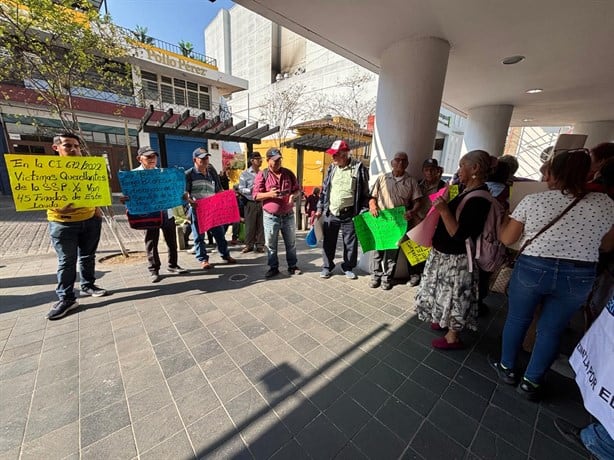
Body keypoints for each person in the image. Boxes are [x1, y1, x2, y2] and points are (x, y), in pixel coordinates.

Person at [490, 149, 614, 400]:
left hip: (533, 268)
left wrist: (504, 219)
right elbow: (607, 245)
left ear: (555, 174)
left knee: (518, 319)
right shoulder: (606, 204)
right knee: (552, 329)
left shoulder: (535, 201)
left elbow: (507, 238)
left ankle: (507, 368)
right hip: (579, 274)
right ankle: (531, 383)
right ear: (588, 173)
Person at [414, 150, 493, 349]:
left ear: (474, 168)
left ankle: (453, 336)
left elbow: (459, 234)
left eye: (461, 165)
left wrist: (442, 209)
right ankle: (444, 321)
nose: (459, 170)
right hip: (445, 255)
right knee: (444, 292)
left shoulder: (479, 198)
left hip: (457, 258)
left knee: (455, 295)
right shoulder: (465, 190)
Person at [45, 132, 107, 320]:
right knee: (67, 261)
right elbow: (37, 196)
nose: (73, 149)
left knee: (88, 256)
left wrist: (97, 210)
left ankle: (88, 285)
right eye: (68, 145)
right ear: (56, 148)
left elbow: (96, 189)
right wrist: (56, 205)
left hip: (90, 220)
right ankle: (66, 298)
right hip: (63, 223)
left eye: (76, 146)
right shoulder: (46, 170)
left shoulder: (87, 168)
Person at [123, 146, 187, 283]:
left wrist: (182, 195)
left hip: (166, 213)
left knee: (171, 240)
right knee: (151, 242)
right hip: (148, 215)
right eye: (148, 157)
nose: (152, 159)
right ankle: (154, 270)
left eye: (154, 156)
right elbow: (128, 197)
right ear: (139, 159)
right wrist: (125, 200)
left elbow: (174, 190)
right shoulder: (132, 176)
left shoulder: (164, 173)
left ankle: (173, 265)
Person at [316, 140, 370, 280]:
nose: (332, 157)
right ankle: (328, 266)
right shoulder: (331, 168)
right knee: (328, 241)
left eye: (336, 155)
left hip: (350, 213)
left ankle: (348, 266)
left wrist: (362, 211)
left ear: (345, 155)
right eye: (332, 155)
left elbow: (365, 193)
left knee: (350, 243)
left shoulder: (359, 169)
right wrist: (320, 208)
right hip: (332, 212)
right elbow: (324, 190)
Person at [368, 152, 423, 289]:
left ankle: (387, 278)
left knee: (392, 252)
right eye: (397, 160)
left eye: (403, 160)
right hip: (382, 220)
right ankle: (376, 277)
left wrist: (413, 211)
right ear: (392, 162)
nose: (400, 163)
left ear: (407, 164)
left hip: (399, 223)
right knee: (377, 251)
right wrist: (372, 205)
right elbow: (372, 197)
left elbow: (418, 201)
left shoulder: (411, 181)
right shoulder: (382, 178)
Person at [253, 147, 301, 278]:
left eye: (279, 160)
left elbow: (297, 189)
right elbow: (255, 195)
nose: (277, 162)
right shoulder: (262, 175)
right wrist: (270, 194)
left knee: (291, 243)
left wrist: (293, 196)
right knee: (271, 245)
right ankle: (273, 268)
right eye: (274, 160)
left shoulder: (288, 173)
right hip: (270, 217)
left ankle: (292, 266)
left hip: (288, 215)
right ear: (268, 160)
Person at [186, 147, 237, 269]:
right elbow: (186, 193)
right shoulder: (188, 174)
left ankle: (225, 255)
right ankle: (203, 259)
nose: (205, 160)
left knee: (219, 234)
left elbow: (218, 190)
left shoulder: (211, 173)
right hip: (198, 210)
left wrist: (228, 197)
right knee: (199, 236)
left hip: (212, 210)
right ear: (195, 159)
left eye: (207, 158)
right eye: (202, 158)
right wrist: (190, 201)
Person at [238, 152, 265, 253]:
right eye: (258, 159)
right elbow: (241, 189)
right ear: (252, 160)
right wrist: (252, 190)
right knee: (250, 225)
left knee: (261, 225)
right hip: (250, 202)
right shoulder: (245, 174)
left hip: (261, 202)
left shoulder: (263, 173)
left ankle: (260, 245)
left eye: (260, 158)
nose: (260, 161)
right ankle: (249, 245)